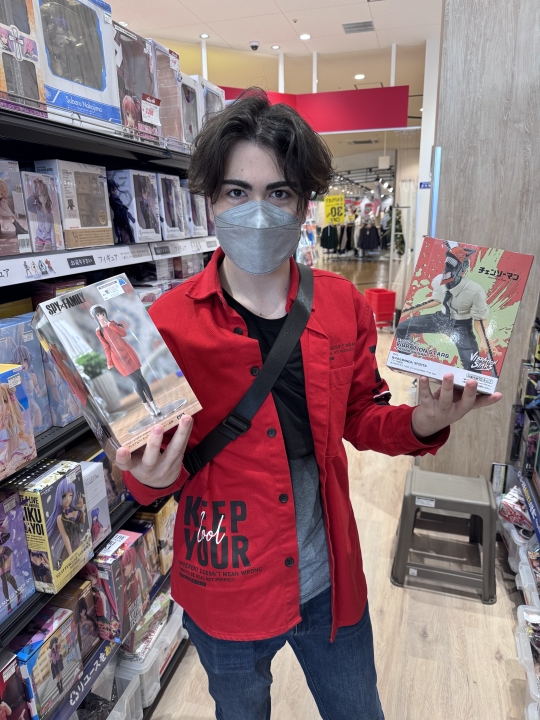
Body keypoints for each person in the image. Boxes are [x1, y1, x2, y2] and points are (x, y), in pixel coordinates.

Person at [116, 89, 502, 720]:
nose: (257, 212)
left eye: (279, 193)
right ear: (211, 200)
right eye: (237, 191)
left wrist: (426, 421)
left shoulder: (343, 305)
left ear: (303, 204)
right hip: (226, 586)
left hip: (330, 582)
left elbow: (361, 416)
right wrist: (147, 478)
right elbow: (143, 470)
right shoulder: (163, 326)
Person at [397, 242, 501, 371]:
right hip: (440, 318)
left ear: (464, 266)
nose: (448, 269)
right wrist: (412, 309)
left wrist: (485, 339)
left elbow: (479, 318)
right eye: (448, 263)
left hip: (461, 326)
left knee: (472, 364)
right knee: (402, 328)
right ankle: (406, 360)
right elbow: (436, 299)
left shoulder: (475, 290)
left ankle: (470, 381)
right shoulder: (438, 281)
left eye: (454, 264)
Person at [90, 305, 161, 417]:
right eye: (98, 315)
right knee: (136, 381)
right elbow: (106, 347)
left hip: (128, 352)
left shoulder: (112, 323)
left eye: (102, 314)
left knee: (141, 378)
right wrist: (109, 362)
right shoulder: (99, 331)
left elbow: (124, 333)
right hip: (118, 358)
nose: (101, 317)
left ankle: (154, 404)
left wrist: (111, 325)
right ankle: (146, 405)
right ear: (94, 317)